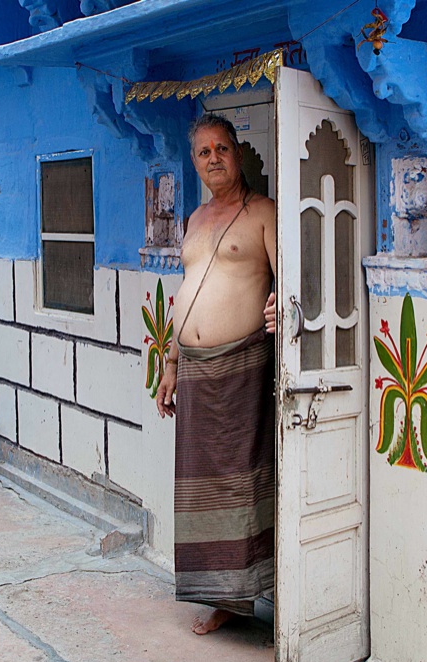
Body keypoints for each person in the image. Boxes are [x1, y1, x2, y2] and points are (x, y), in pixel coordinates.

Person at [155, 113, 278, 635]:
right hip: (194, 372)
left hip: (241, 368)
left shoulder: (263, 213)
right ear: (195, 162)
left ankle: (249, 596)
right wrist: (170, 362)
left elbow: (296, 278)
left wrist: (283, 306)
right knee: (200, 487)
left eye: (221, 148)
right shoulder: (195, 220)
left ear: (238, 153)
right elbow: (185, 290)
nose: (213, 159)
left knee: (239, 486)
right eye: (203, 152)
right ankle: (219, 596)